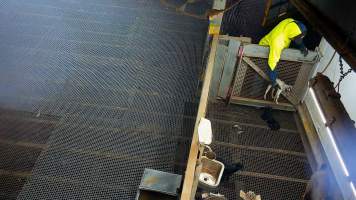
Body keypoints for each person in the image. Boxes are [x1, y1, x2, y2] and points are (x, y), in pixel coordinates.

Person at [259, 18, 308, 86]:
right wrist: (274, 80)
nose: (296, 40)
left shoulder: (290, 22)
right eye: (296, 38)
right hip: (262, 52)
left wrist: (302, 46)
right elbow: (272, 63)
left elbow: (298, 31)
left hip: (275, 50)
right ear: (291, 33)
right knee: (260, 74)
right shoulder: (278, 41)